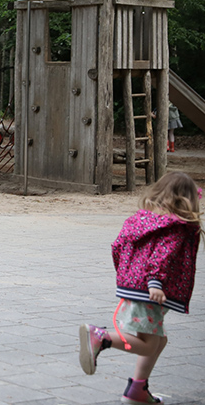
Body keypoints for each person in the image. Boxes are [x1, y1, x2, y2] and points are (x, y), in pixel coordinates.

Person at [78, 172, 202, 404]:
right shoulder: (175, 226)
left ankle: (137, 390)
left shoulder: (141, 220)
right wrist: (154, 282)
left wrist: (128, 276)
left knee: (159, 340)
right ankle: (101, 337)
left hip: (135, 286)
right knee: (147, 346)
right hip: (151, 290)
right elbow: (163, 255)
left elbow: (117, 246)